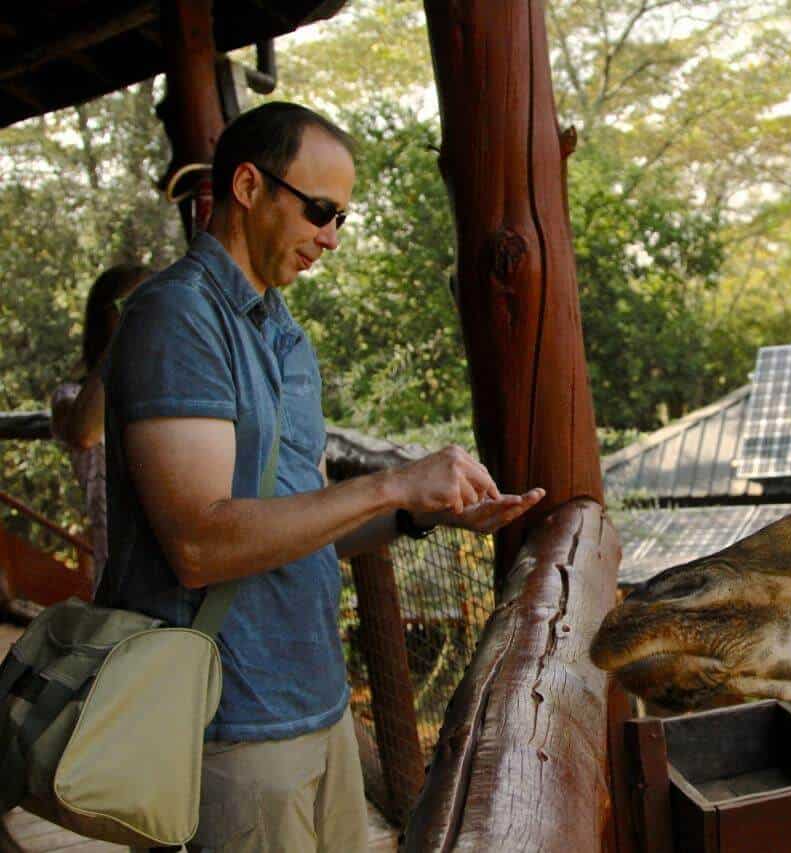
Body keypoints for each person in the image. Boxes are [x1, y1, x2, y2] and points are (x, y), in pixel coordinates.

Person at [100, 102, 544, 853]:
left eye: (342, 217)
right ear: (247, 185)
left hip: (320, 702)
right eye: (318, 210)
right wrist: (390, 485)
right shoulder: (177, 318)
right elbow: (199, 545)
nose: (331, 237)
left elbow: (307, 524)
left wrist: (423, 514)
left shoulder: (285, 336)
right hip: (231, 726)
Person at [49, 264, 150, 596]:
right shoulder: (71, 397)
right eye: (128, 306)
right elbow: (85, 433)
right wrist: (126, 335)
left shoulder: (166, 390)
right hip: (119, 580)